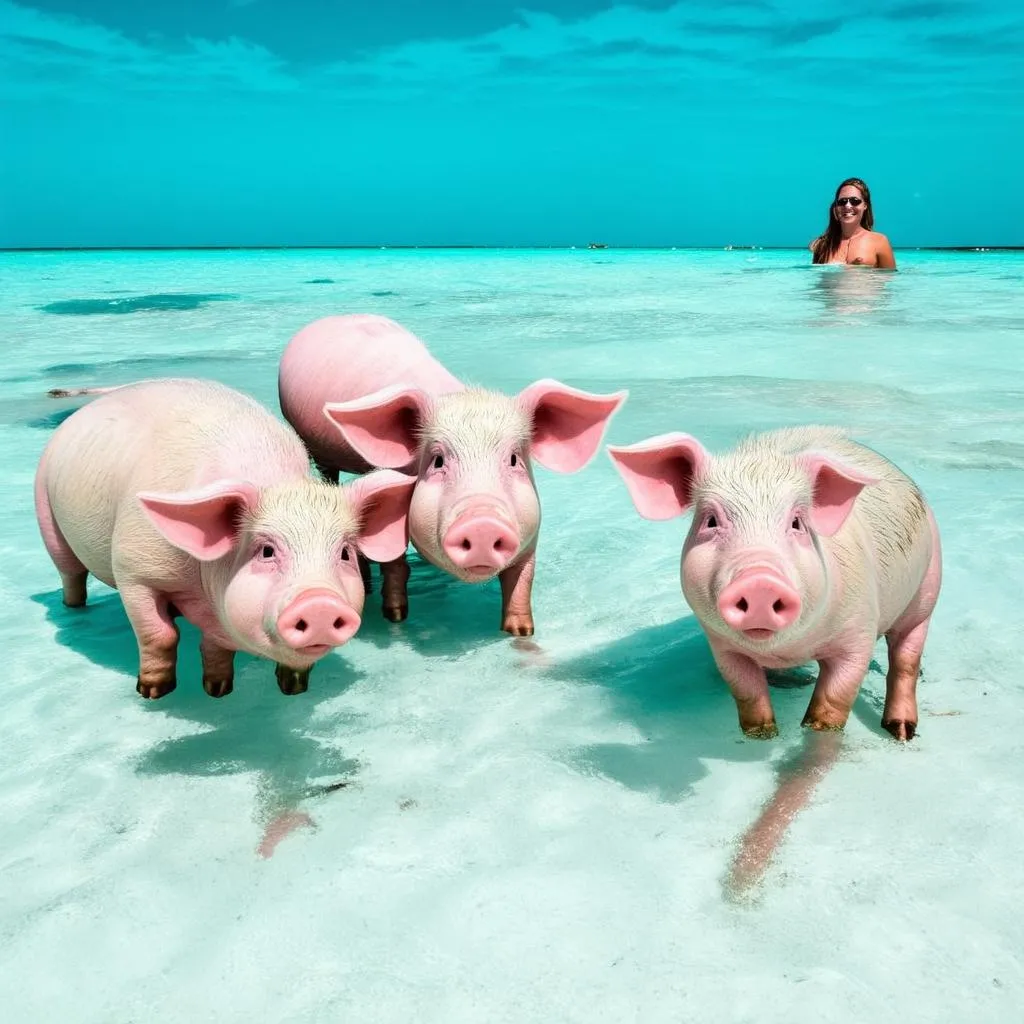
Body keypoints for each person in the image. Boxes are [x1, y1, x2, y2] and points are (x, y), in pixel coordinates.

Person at [810, 177, 896, 269]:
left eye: (854, 201)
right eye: (842, 202)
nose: (847, 206)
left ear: (865, 205)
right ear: (836, 206)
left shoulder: (879, 242)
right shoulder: (823, 245)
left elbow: (890, 279)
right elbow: (818, 279)